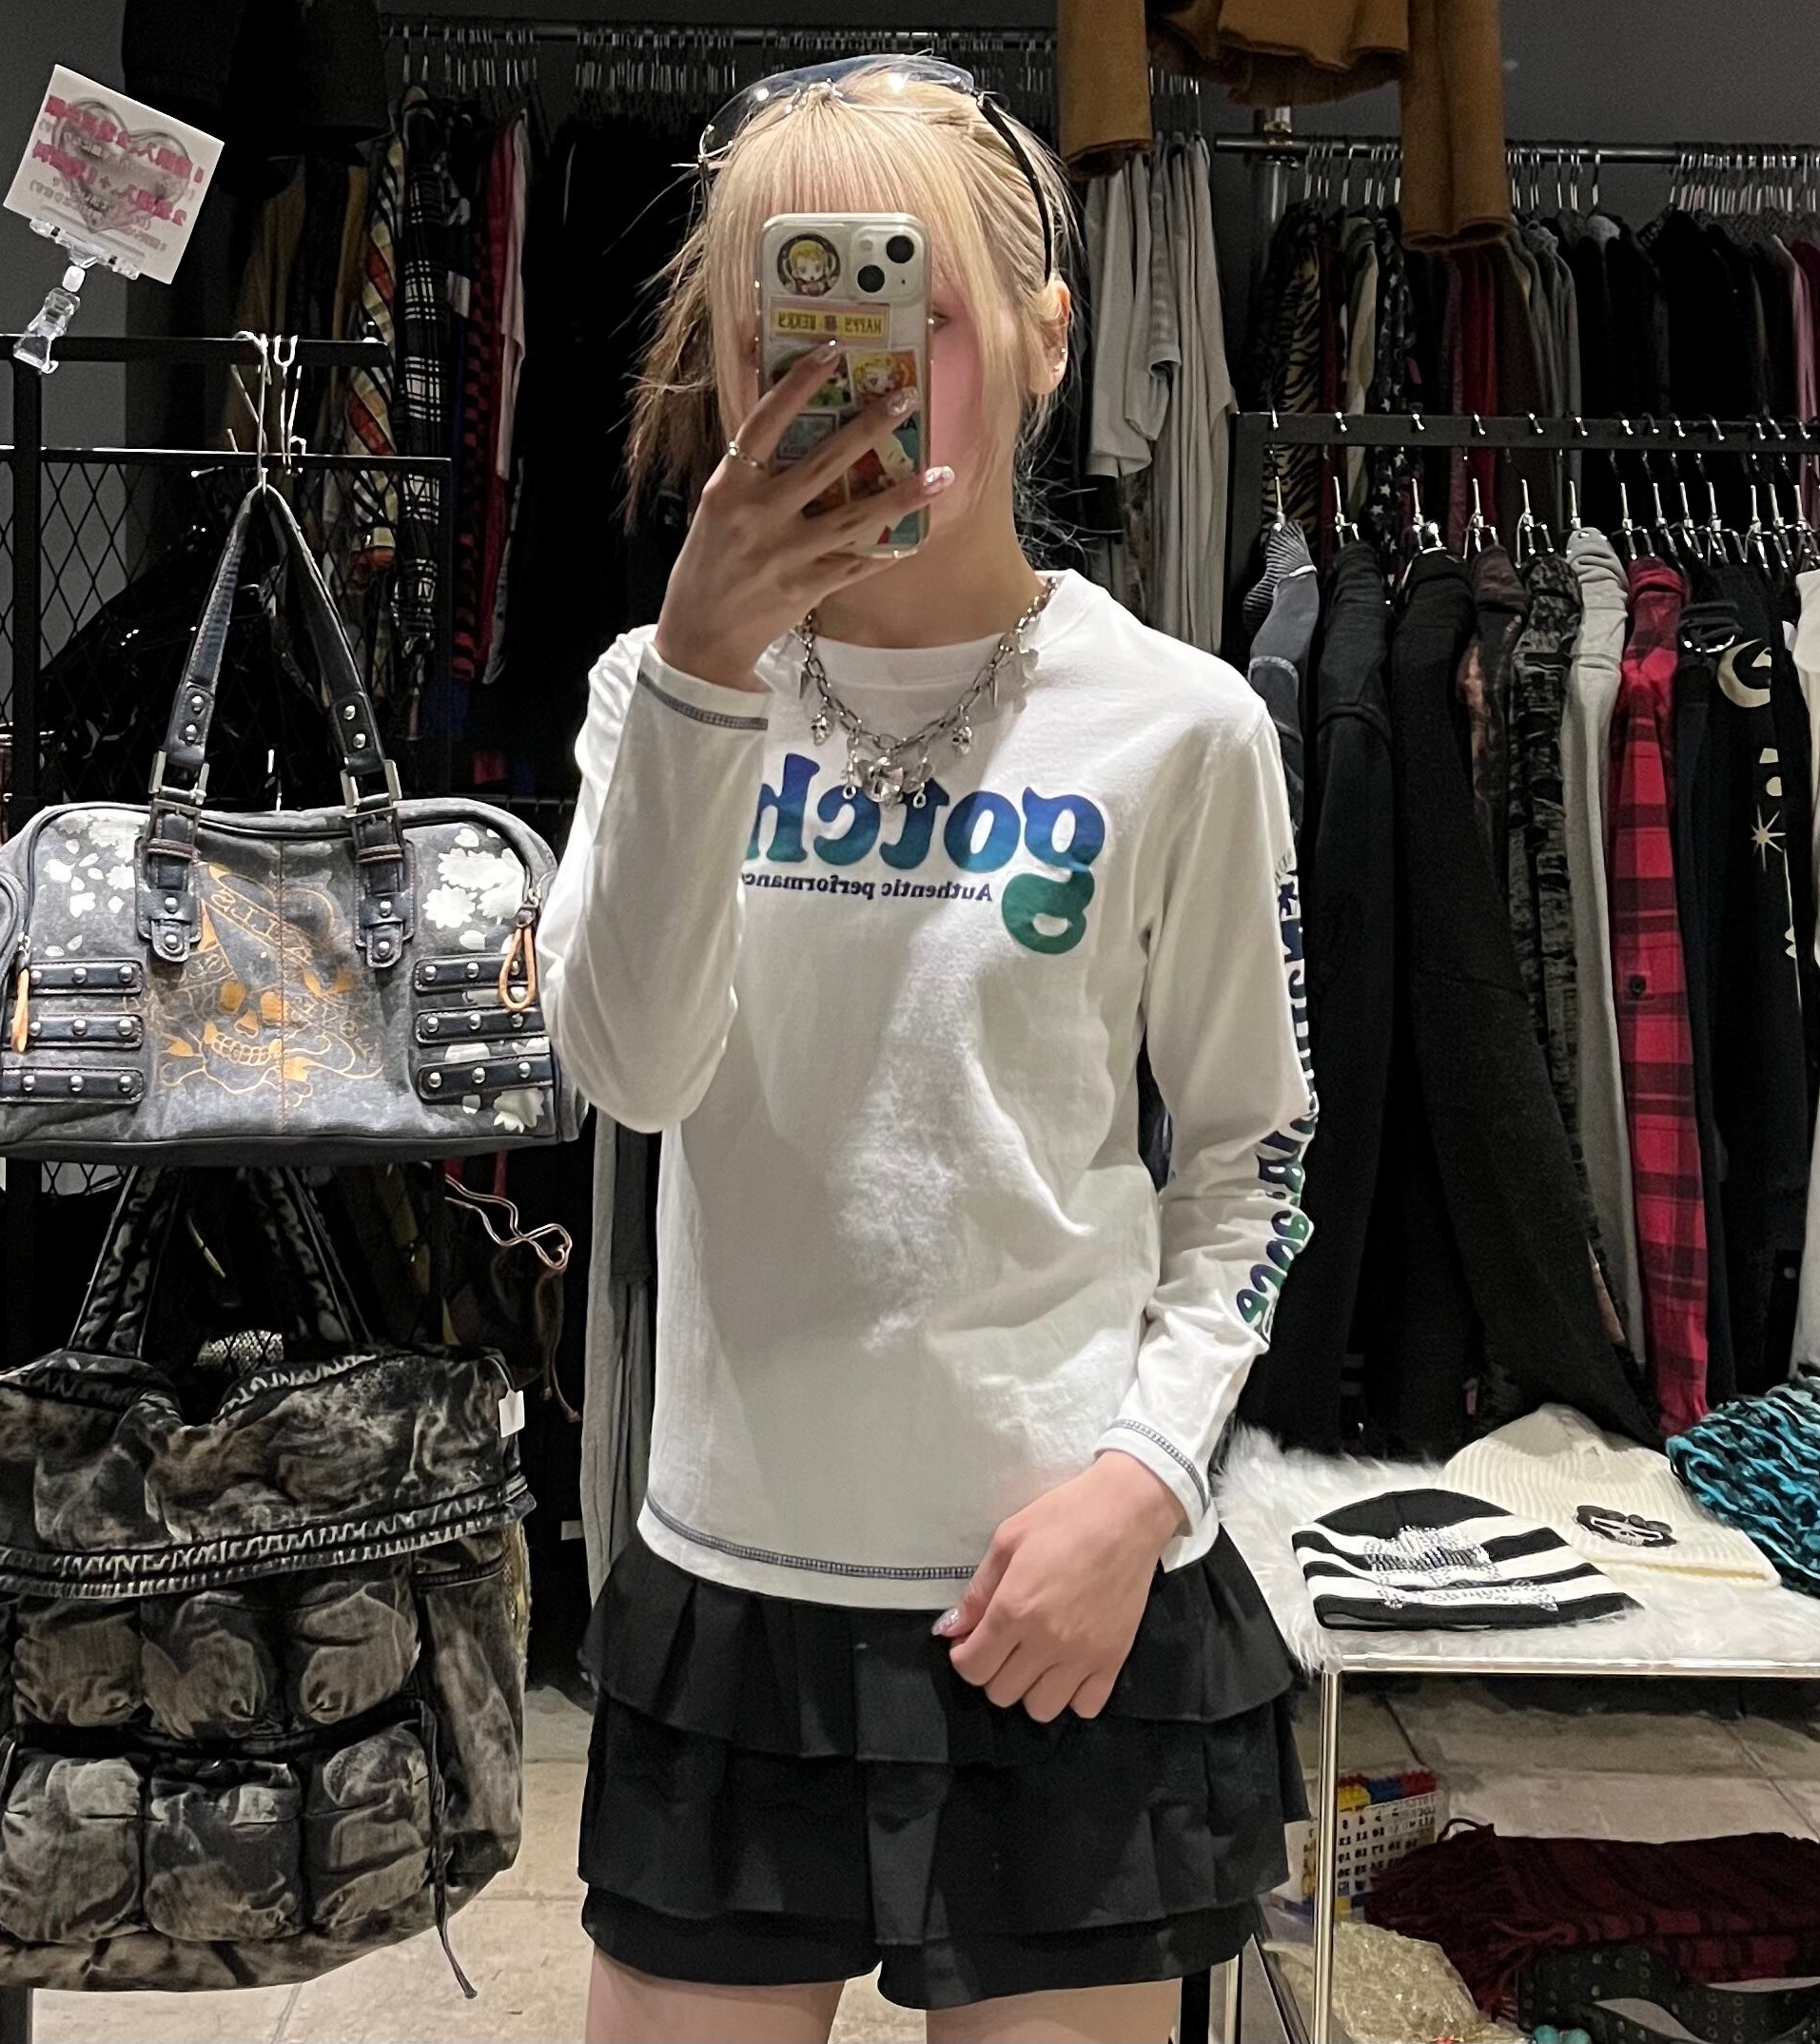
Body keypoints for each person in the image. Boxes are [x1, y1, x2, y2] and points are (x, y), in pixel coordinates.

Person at [538, 56, 1315, 2044]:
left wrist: (1143, 1484)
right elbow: (627, 1074)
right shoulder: (651, 698)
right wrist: (706, 674)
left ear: (1046, 339)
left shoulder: (1182, 725)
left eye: (911, 311)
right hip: (736, 1583)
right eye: (778, 319)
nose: (847, 373)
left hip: (1060, 1594)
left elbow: (1253, 1157)